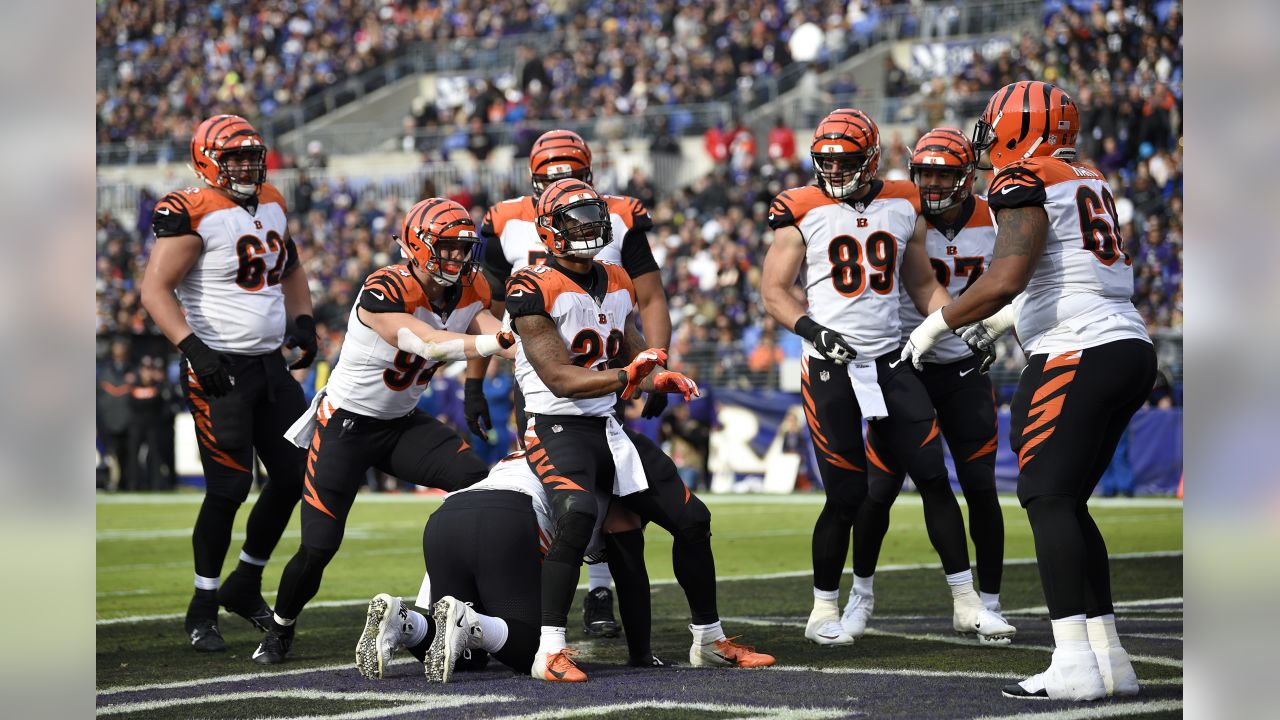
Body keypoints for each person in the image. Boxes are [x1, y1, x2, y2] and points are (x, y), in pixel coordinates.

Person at [900, 81, 1156, 701]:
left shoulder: (1024, 177)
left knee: (1044, 496)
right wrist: (996, 321)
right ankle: (1107, 657)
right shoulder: (1085, 175)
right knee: (1066, 501)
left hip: (1078, 347)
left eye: (994, 123)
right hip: (1126, 342)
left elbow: (1008, 275)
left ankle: (1072, 662)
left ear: (1021, 125)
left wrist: (942, 321)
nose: (987, 136)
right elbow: (1070, 272)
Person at [760, 108, 1013, 648]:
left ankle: (968, 602)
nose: (833, 171)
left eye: (845, 160)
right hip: (831, 366)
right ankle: (824, 608)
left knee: (932, 477)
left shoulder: (903, 199)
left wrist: (959, 325)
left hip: (893, 360)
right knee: (847, 493)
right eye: (825, 161)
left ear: (871, 157)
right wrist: (811, 329)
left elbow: (922, 283)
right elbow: (774, 292)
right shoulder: (800, 206)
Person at [507, 178, 771, 681]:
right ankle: (549, 650)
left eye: (592, 217)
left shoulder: (617, 277)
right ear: (549, 229)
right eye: (574, 220)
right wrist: (628, 376)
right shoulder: (530, 286)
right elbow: (561, 379)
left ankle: (709, 640)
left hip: (606, 426)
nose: (587, 228)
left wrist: (657, 375)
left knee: (693, 519)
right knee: (578, 513)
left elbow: (630, 348)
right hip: (555, 425)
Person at [251, 198, 517, 664]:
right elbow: (424, 342)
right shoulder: (385, 286)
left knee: (477, 483)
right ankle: (280, 626)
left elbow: (492, 329)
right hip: (346, 427)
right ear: (416, 247)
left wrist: (531, 343)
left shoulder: (471, 284)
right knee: (318, 547)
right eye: (446, 249)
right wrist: (498, 342)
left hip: (401, 423)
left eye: (462, 249)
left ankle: (428, 618)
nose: (457, 259)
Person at [472, 129, 673, 639]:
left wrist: (655, 367)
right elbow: (489, 309)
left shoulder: (620, 215)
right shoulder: (506, 221)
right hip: (542, 370)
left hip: (606, 360)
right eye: (550, 178)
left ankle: (600, 587)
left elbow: (648, 300)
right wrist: (482, 373)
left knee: (619, 482)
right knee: (564, 486)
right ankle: (540, 600)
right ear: (533, 183)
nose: (561, 185)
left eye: (571, 174)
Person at [140, 114, 318, 652]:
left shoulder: (271, 201)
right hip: (218, 367)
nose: (245, 164)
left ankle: (245, 580)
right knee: (229, 487)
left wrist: (304, 320)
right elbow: (155, 290)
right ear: (207, 160)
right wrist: (193, 348)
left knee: (293, 475)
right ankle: (202, 602)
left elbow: (288, 266)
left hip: (269, 364)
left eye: (250, 155)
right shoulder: (192, 211)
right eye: (234, 156)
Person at [861, 128, 1014, 637]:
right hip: (907, 367)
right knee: (878, 489)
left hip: (965, 368)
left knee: (980, 489)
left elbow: (1031, 278)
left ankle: (987, 601)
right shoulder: (902, 211)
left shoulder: (998, 215)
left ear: (968, 175)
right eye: (923, 171)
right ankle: (860, 595)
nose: (929, 182)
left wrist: (1001, 321)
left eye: (943, 173)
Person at [354, 452, 674, 684]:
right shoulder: (613, 476)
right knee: (533, 652)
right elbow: (631, 576)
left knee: (465, 656)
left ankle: (405, 622)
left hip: (446, 516)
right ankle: (468, 619)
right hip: (508, 519)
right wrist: (641, 653)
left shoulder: (533, 450)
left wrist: (434, 603)